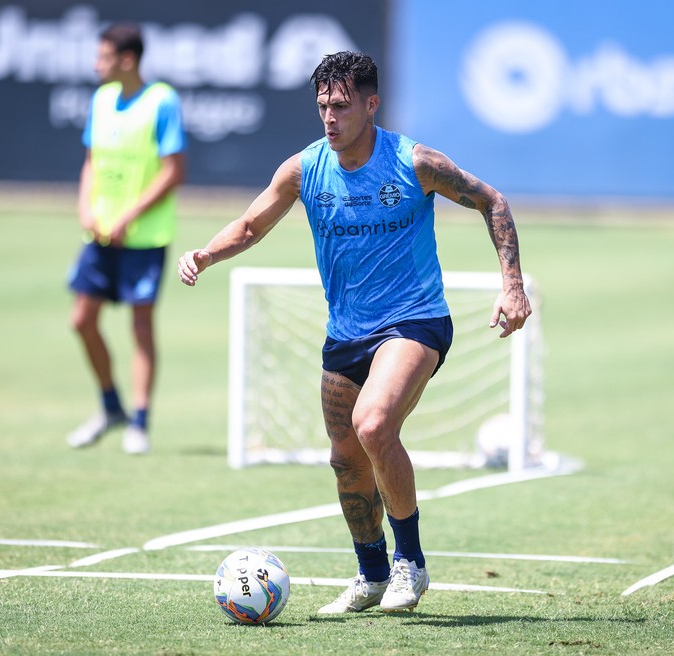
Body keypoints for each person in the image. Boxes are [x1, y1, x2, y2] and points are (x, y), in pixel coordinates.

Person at [177, 51, 531, 612]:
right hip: (346, 333)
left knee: (373, 424)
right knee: (345, 459)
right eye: (322, 106)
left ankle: (409, 565)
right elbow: (249, 225)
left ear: (371, 104)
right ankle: (370, 575)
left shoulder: (415, 162)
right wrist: (206, 254)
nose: (329, 117)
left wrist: (511, 285)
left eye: (341, 106)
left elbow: (492, 200)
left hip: (415, 321)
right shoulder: (303, 169)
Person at [66, 23, 186, 455]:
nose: (96, 65)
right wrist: (85, 207)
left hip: (144, 237)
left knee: (139, 327)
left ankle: (139, 421)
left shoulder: (162, 101)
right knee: (81, 321)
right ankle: (110, 406)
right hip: (97, 234)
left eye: (103, 57)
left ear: (127, 60)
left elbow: (174, 170)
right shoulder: (100, 100)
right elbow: (90, 162)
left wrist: (129, 216)